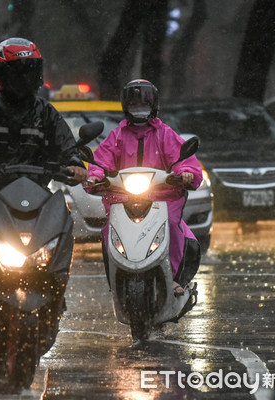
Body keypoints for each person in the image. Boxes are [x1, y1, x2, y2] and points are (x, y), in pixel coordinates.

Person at [86, 79, 203, 296]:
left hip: (163, 199)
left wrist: (186, 173)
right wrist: (94, 176)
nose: (139, 110)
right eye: (133, 105)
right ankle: (116, 280)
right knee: (108, 233)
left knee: (171, 226)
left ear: (154, 106)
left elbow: (184, 161)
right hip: (122, 199)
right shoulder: (117, 136)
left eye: (144, 105)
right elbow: (101, 161)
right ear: (125, 107)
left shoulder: (165, 134)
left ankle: (175, 279)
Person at [0, 37, 87, 205]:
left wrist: (75, 164)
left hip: (37, 196)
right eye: (17, 73)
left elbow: (68, 147)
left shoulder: (46, 112)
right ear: (0, 75)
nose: (24, 79)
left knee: (63, 219)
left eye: (29, 72)